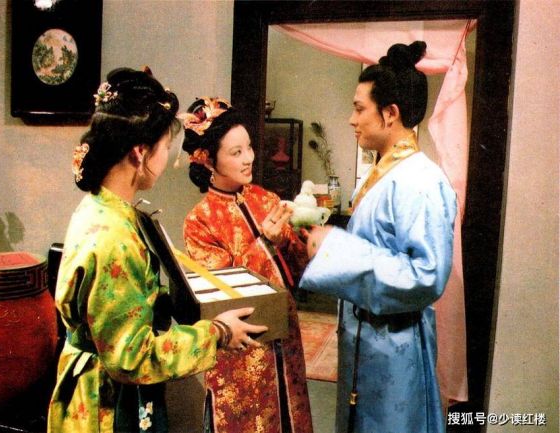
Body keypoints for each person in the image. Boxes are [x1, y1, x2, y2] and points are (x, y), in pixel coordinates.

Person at [47, 68, 266, 433]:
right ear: (140, 152)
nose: (167, 158)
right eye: (165, 147)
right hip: (109, 399)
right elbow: (131, 356)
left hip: (102, 377)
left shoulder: (103, 206)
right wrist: (217, 332)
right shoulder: (114, 237)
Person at [299, 41, 457, 433]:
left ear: (390, 113)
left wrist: (335, 250)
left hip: (394, 341)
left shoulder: (421, 180)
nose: (351, 119)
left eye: (359, 108)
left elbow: (426, 275)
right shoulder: (384, 174)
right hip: (368, 336)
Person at [181, 98, 313, 433]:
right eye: (236, 152)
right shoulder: (200, 221)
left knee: (291, 413)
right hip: (241, 345)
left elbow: (301, 271)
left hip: (286, 335)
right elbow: (225, 290)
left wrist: (290, 240)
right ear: (208, 159)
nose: (249, 158)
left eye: (249, 147)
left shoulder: (266, 199)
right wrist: (263, 243)